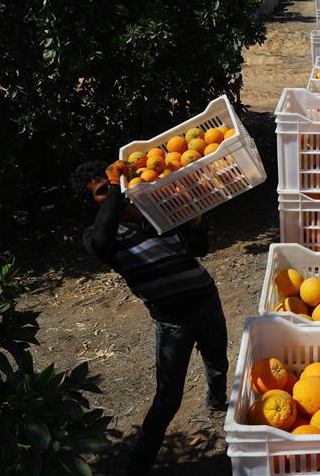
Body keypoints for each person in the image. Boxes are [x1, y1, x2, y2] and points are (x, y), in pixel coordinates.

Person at [71, 160, 229, 475]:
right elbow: (101, 241)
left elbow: (200, 249)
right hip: (173, 322)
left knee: (217, 361)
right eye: (104, 192)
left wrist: (195, 222)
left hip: (206, 300)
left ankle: (216, 401)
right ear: (90, 204)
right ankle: (140, 461)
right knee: (168, 396)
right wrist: (116, 188)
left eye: (116, 185)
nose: (117, 192)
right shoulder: (100, 235)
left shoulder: (155, 214)